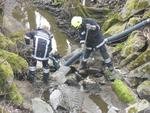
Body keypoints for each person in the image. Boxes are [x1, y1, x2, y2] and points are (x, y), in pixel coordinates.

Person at [71, 16, 115, 80]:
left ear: (81, 22)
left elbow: (98, 28)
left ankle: (110, 66)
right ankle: (83, 65)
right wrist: (83, 44)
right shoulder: (79, 28)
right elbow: (82, 37)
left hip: (98, 40)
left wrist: (92, 27)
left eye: (79, 26)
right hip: (89, 43)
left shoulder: (89, 21)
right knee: (86, 54)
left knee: (104, 53)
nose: (78, 28)